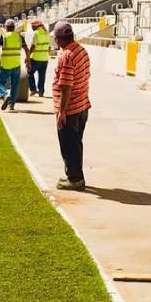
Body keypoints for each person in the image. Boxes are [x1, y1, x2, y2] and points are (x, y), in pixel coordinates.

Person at [52, 21, 91, 191]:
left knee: (69, 145)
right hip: (82, 106)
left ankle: (75, 179)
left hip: (71, 109)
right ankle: (75, 174)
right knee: (76, 143)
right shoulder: (81, 50)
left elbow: (66, 86)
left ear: (59, 39)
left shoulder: (66, 55)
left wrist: (62, 112)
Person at [0, 19, 30, 111]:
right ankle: (11, 105)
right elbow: (27, 50)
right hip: (16, 64)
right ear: (14, 27)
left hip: (6, 65)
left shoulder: (3, 36)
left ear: (6, 27)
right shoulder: (19, 37)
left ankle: (5, 94)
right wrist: (28, 62)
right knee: (14, 85)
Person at [28, 19, 51, 97]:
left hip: (36, 58)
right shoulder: (47, 33)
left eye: (32, 25)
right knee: (42, 76)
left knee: (29, 73)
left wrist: (28, 56)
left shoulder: (36, 33)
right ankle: (41, 92)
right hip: (44, 59)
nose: (31, 27)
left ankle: (33, 89)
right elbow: (49, 47)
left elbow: (33, 47)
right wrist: (47, 57)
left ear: (36, 26)